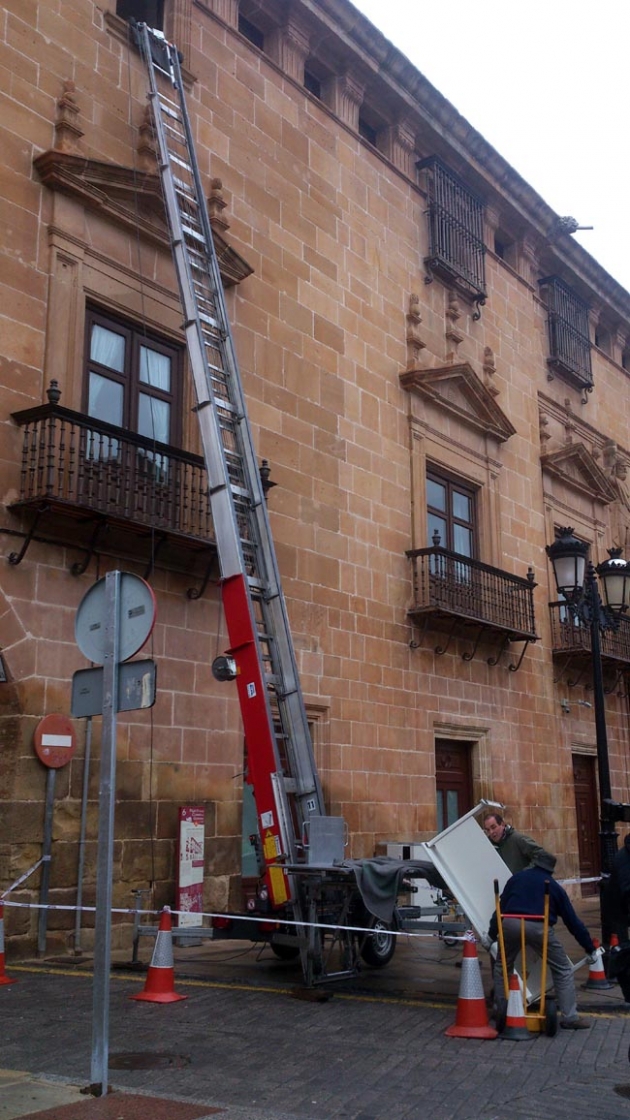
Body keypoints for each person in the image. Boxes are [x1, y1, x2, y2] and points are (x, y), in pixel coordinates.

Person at [486, 851, 597, 1030]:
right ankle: (570, 1017)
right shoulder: (553, 886)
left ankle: (501, 1009)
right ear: (550, 870)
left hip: (510, 923)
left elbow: (500, 908)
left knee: (502, 966)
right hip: (539, 927)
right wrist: (589, 948)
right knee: (562, 969)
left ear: (534, 864)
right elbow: (573, 922)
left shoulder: (517, 878)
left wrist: (491, 935)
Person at [483, 811, 555, 874]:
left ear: (502, 824)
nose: (491, 832)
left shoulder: (517, 839)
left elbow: (544, 857)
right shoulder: (489, 846)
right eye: (488, 830)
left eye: (493, 827)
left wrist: (523, 875)